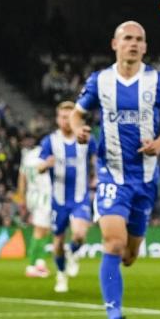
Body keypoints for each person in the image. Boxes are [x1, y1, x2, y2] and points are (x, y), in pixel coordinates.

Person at [72, 21, 160, 319]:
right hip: (111, 175)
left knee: (130, 255)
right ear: (115, 44)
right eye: (127, 39)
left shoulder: (156, 81)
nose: (133, 44)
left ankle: (119, 286)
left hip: (146, 179)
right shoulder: (100, 81)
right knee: (113, 243)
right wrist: (81, 130)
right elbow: (76, 115)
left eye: (139, 40)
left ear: (145, 47)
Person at [36, 101, 92, 293]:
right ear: (57, 119)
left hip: (80, 198)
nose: (66, 121)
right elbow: (39, 167)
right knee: (58, 243)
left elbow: (99, 159)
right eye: (62, 117)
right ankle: (61, 275)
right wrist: (46, 165)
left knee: (79, 234)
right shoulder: (50, 141)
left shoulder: (86, 139)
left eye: (70, 117)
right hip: (58, 200)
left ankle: (74, 254)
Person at [16, 133, 52, 278]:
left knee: (45, 229)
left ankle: (40, 262)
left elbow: (22, 178)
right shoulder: (45, 156)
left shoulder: (27, 156)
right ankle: (31, 266)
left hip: (32, 196)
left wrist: (22, 199)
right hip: (44, 196)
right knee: (40, 230)